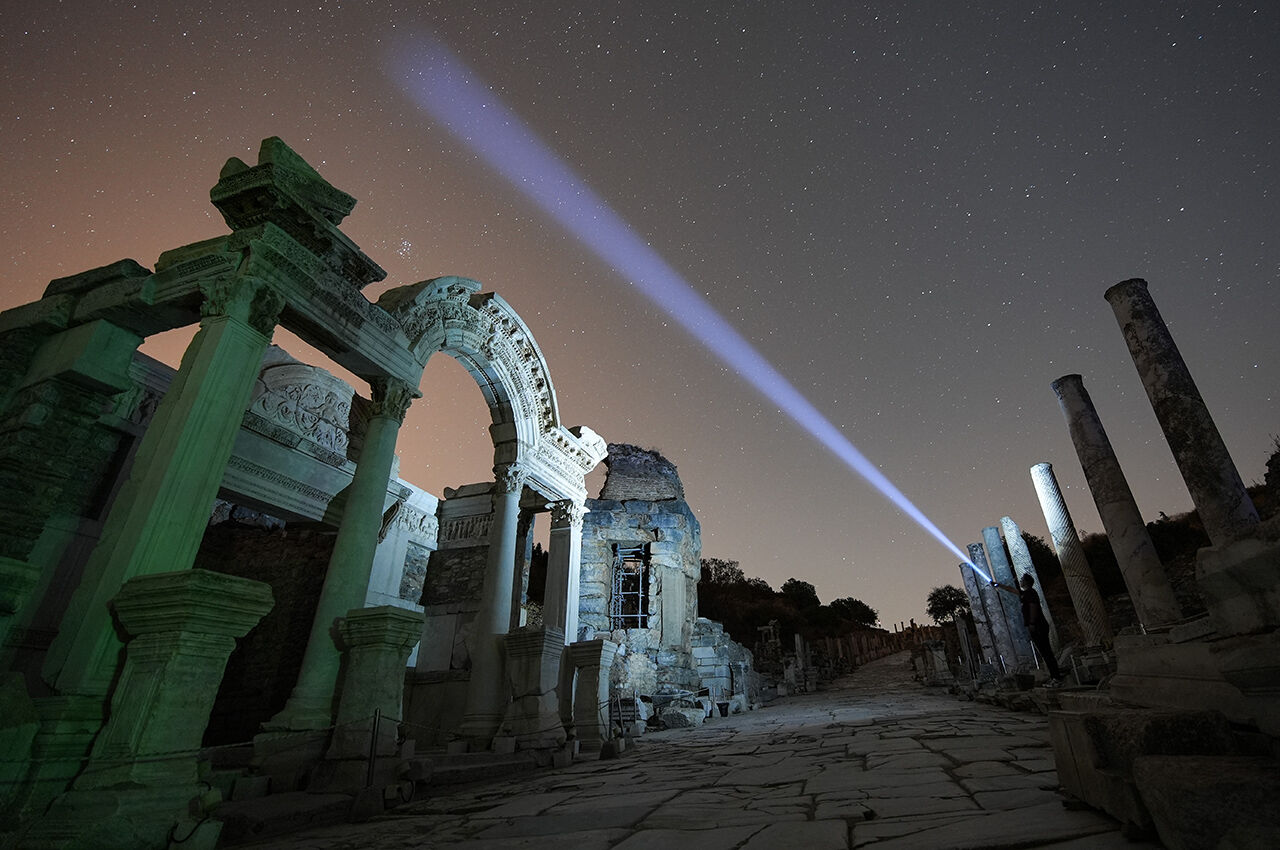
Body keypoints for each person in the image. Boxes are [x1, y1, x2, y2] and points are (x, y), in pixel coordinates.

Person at [992, 574, 1062, 684]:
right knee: (1044, 652)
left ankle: (1056, 678)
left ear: (1026, 582)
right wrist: (998, 585)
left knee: (1047, 652)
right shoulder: (1026, 593)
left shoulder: (1031, 593)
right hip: (1036, 625)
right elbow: (1012, 590)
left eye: (1021, 580)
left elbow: (1033, 606)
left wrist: (1032, 622)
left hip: (1038, 625)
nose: (1020, 581)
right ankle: (1054, 676)